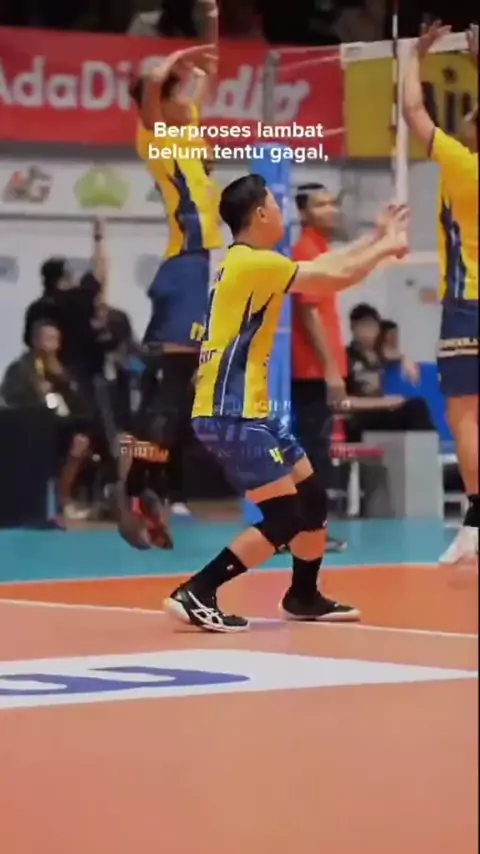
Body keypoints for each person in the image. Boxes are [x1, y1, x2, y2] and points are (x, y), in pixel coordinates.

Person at [163, 173, 410, 632]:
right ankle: (198, 591)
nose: (283, 215)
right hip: (231, 412)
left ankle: (303, 595)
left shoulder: (252, 262)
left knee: (311, 498)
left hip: (251, 411)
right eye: (276, 206)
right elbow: (334, 277)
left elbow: (327, 263)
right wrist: (386, 249)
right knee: (285, 516)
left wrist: (377, 237)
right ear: (260, 213)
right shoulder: (253, 263)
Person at [122, 8, 221, 548]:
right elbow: (155, 83)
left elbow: (211, 68)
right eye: (176, 93)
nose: (188, 98)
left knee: (180, 395)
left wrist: (211, 21)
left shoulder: (189, 132)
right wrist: (175, 59)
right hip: (184, 268)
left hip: (200, 270)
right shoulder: (155, 140)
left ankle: (149, 486)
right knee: (169, 393)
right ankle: (136, 485)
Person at [403, 22, 479, 563]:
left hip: (468, 305)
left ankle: (476, 520)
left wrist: (416, 55)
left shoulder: (460, 164)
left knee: (465, 416)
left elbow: (413, 110)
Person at [290, 183, 349, 553]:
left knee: (317, 452)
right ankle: (308, 531)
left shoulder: (322, 250)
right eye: (321, 204)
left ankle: (308, 529)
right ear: (303, 214)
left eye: (332, 203)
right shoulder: (306, 252)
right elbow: (309, 313)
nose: (331, 210)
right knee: (314, 454)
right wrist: (330, 370)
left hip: (320, 370)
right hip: (311, 372)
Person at [1, 320, 94, 521]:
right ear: (35, 341)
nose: (53, 343)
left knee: (80, 442)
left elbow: (79, 404)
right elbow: (10, 398)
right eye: (48, 338)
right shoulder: (20, 369)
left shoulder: (65, 370)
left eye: (56, 339)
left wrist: (63, 379)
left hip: (62, 426)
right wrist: (36, 394)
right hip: (31, 428)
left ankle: (64, 499)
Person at [345, 303, 434, 440]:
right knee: (414, 409)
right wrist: (383, 403)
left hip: (381, 412)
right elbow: (341, 402)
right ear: (353, 327)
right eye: (363, 326)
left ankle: (428, 448)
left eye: (373, 326)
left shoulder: (379, 354)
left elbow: (397, 356)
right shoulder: (347, 357)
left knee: (418, 405)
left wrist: (405, 360)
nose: (368, 332)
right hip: (359, 417)